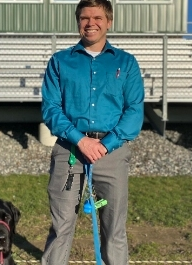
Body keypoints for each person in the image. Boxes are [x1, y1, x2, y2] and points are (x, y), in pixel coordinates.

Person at [40, 0, 144, 264]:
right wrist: (80, 140)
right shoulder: (60, 62)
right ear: (78, 22)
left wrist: (105, 144)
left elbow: (134, 111)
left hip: (112, 154)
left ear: (108, 22)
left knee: (114, 229)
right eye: (85, 18)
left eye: (97, 17)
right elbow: (51, 109)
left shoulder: (127, 63)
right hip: (69, 151)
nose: (91, 23)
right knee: (61, 226)